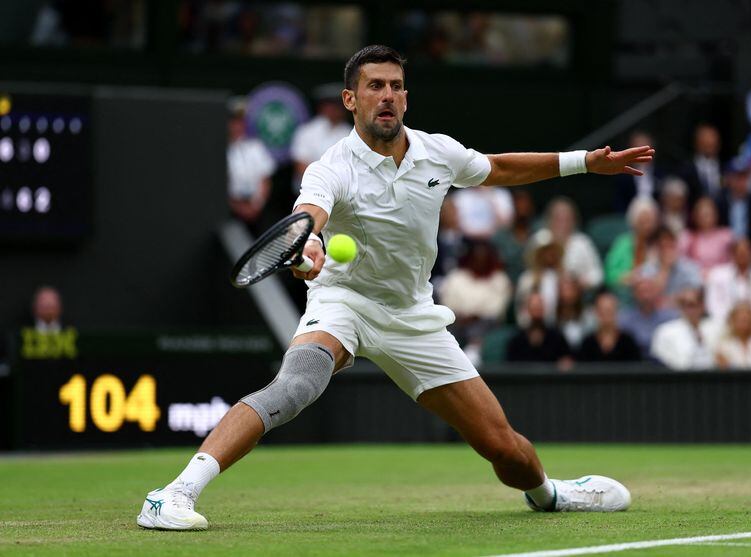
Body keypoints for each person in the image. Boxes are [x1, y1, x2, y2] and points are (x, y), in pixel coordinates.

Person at [137, 45, 652, 529]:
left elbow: (497, 168)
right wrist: (310, 245)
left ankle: (550, 495)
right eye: (375, 86)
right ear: (350, 99)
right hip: (345, 301)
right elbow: (309, 215)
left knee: (505, 449)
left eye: (396, 86)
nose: (387, 95)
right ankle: (174, 494)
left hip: (413, 314)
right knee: (297, 385)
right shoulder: (330, 167)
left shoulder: (438, 153)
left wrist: (585, 161)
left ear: (405, 97)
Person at [438, 240, 512, 364]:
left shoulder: (500, 279)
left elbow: (496, 309)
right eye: (476, 257)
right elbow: (448, 302)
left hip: (486, 325)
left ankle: (474, 352)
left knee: (484, 325)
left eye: (483, 257)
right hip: (458, 322)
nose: (480, 261)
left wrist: (475, 315)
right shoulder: (456, 277)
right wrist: (462, 315)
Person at [290, 83, 353, 190]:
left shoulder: (351, 133)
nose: (334, 109)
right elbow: (300, 164)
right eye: (330, 105)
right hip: (309, 190)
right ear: (322, 107)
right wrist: (321, 184)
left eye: (338, 105)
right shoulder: (306, 131)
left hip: (341, 192)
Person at [227, 98, 276, 227]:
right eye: (233, 122)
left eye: (241, 122)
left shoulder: (255, 147)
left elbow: (265, 180)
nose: (238, 126)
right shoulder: (219, 149)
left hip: (257, 211)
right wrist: (238, 207)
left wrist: (256, 205)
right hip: (229, 212)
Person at [541, 197, 603, 291]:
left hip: (577, 294)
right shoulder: (541, 240)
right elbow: (530, 273)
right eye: (559, 219)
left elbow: (598, 275)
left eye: (567, 219)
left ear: (574, 221)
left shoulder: (582, 242)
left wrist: (584, 281)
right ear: (550, 220)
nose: (563, 224)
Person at [651, 287, 720, 370]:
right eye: (683, 305)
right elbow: (661, 362)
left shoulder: (716, 328)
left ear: (702, 306)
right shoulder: (666, 331)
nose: (687, 310)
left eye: (691, 305)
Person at [714, 155, 751, 246]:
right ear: (728, 179)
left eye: (744, 176)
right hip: (724, 253)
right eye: (737, 177)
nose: (741, 181)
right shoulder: (718, 204)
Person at [705, 238, 751, 320]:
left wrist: (749, 320)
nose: (743, 257)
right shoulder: (717, 275)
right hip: (724, 323)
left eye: (746, 254)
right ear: (732, 254)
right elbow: (713, 305)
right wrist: (731, 320)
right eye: (740, 254)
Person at [604, 196, 659, 292]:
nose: (646, 226)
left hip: (653, 292)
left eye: (649, 221)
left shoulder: (659, 243)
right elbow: (609, 274)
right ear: (634, 222)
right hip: (625, 292)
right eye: (642, 222)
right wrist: (627, 278)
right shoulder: (622, 243)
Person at [506, 292, 573, 370]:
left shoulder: (557, 336)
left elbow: (567, 360)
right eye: (534, 307)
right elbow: (509, 367)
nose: (537, 310)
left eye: (539, 307)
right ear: (527, 309)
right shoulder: (516, 340)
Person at [639, 226, 702, 306]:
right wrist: (665, 269)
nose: (667, 250)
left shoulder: (690, 266)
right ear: (655, 248)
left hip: (683, 313)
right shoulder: (647, 269)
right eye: (662, 246)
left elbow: (695, 294)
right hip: (656, 315)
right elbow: (649, 298)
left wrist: (670, 300)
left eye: (670, 245)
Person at [577, 291, 641, 363]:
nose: (606, 315)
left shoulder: (628, 342)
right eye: (602, 311)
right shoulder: (587, 343)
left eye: (609, 310)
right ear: (596, 312)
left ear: (616, 311)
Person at [679, 196, 734, 275]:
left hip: (721, 279)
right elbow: (682, 263)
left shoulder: (726, 236)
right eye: (701, 215)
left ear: (716, 215)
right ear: (695, 217)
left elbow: (733, 263)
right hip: (695, 279)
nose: (705, 218)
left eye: (708, 215)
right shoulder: (687, 237)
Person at [491, 189, 536, 284]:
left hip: (532, 285)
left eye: (525, 205)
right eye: (518, 204)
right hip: (505, 284)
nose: (522, 208)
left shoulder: (539, 234)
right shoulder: (500, 237)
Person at [614, 130, 664, 211]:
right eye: (639, 147)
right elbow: (619, 202)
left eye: (645, 147)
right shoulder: (623, 175)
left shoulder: (661, 173)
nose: (642, 152)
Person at [681, 123, 723, 199]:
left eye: (712, 143)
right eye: (706, 142)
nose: (710, 143)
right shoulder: (686, 169)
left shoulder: (724, 169)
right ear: (697, 143)